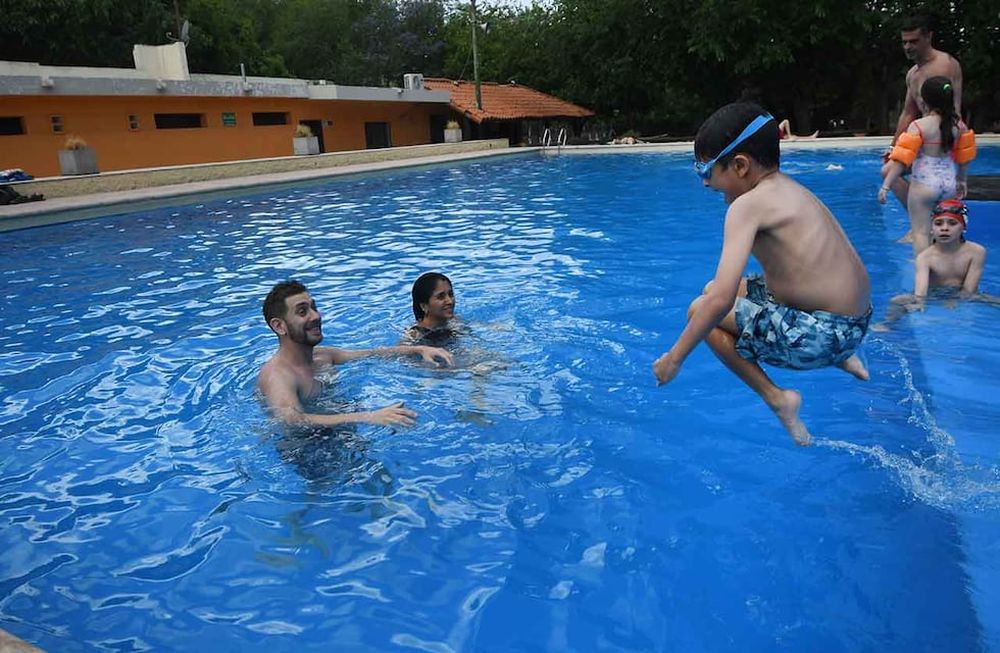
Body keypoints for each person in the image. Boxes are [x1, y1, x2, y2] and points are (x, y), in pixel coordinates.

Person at [652, 103, 872, 446]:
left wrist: (673, 359)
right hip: (853, 323)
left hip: (822, 335)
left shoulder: (747, 206)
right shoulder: (791, 190)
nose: (706, 182)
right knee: (715, 289)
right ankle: (845, 359)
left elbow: (719, 302)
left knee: (702, 309)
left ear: (740, 165)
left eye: (707, 172)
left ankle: (778, 399)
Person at [257, 280, 454, 428]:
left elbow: (371, 354)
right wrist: (370, 417)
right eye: (302, 312)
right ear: (279, 326)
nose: (316, 316)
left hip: (340, 428)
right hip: (307, 450)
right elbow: (293, 419)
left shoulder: (323, 356)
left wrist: (419, 349)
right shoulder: (278, 375)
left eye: (314, 308)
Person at [880, 15, 963, 228]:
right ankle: (926, 220)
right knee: (889, 168)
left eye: (914, 41)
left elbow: (947, 114)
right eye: (904, 42)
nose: (908, 46)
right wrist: (894, 147)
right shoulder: (913, 74)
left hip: (942, 140)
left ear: (929, 37)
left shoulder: (942, 66)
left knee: (891, 172)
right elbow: (908, 113)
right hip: (925, 138)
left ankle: (926, 223)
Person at [879, 76, 976, 255]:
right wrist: (962, 180)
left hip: (924, 186)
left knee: (921, 233)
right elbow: (964, 157)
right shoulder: (960, 126)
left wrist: (886, 184)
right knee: (946, 235)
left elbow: (902, 160)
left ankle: (925, 276)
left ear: (923, 100)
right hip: (949, 186)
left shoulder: (918, 126)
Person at [874, 199, 988, 329]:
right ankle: (888, 325)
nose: (944, 228)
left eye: (952, 223)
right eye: (938, 223)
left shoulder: (976, 252)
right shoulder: (925, 257)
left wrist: (955, 300)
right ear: (932, 228)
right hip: (933, 294)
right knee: (896, 301)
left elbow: (969, 289)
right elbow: (920, 293)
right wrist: (919, 303)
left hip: (963, 293)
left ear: (963, 227)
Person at [406, 272, 460, 344]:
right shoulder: (416, 333)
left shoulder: (453, 321)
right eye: (441, 297)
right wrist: (421, 350)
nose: (450, 301)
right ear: (424, 306)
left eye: (451, 294)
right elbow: (391, 351)